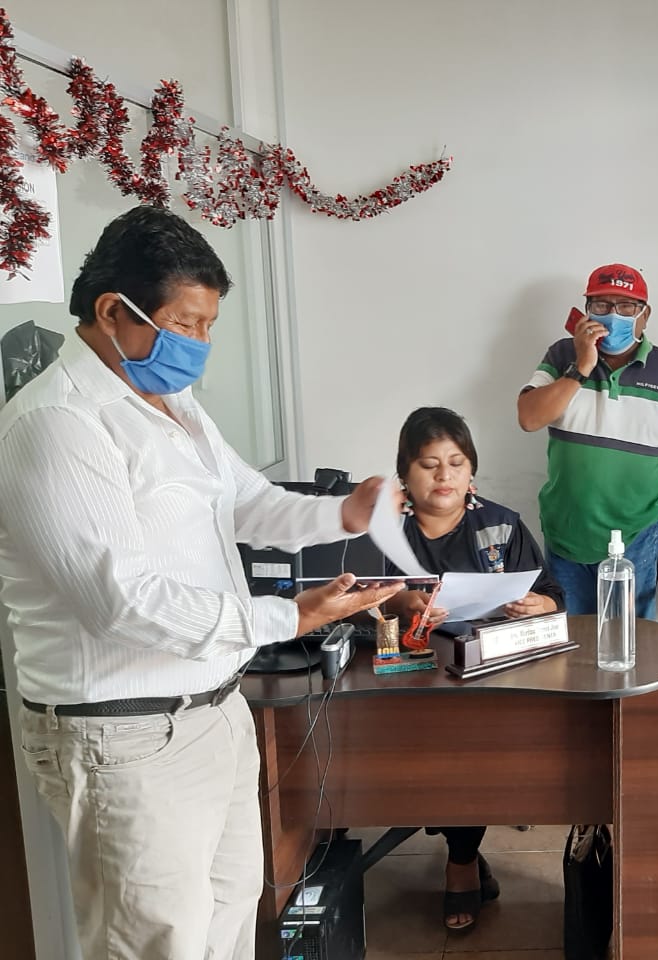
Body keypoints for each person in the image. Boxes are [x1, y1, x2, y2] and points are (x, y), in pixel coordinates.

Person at [0, 205, 403, 960]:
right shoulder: (56, 424)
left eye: (209, 325)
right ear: (113, 312)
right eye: (185, 324)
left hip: (214, 710)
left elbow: (243, 501)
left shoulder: (170, 403)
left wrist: (343, 513)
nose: (201, 344)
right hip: (124, 737)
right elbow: (120, 602)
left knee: (227, 922)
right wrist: (286, 618)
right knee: (158, 944)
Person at [383, 406, 564, 932]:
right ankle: (459, 842)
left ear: (471, 472)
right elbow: (350, 597)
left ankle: (461, 859)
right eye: (429, 464)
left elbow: (552, 592)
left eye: (456, 463)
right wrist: (400, 602)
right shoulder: (384, 530)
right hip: (405, 674)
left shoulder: (500, 525)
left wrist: (540, 605)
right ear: (405, 474)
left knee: (467, 749)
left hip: (488, 671)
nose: (444, 476)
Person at [517, 263, 658, 617]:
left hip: (639, 531)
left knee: (630, 635)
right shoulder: (561, 356)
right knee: (568, 633)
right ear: (586, 310)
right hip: (567, 530)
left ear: (644, 316)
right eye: (601, 305)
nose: (612, 315)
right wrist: (581, 365)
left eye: (626, 307)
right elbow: (529, 418)